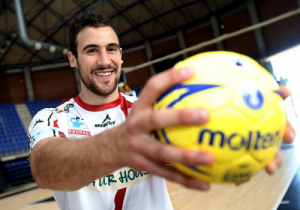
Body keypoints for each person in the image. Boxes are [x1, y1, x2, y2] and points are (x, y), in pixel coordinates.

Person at [28, 11, 294, 210]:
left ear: (121, 56)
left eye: (111, 49)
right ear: (72, 59)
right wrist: (117, 147)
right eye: (91, 51)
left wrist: (251, 129)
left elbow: (202, 137)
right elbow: (44, 168)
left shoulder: (157, 114)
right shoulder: (51, 118)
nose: (104, 60)